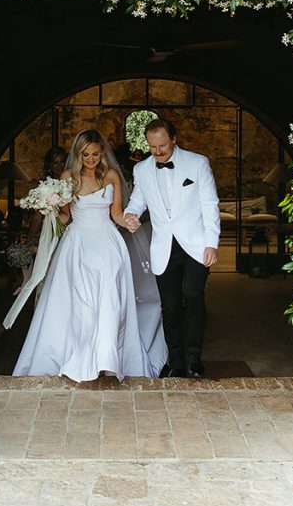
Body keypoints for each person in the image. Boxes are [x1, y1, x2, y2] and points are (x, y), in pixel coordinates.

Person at [11, 129, 167, 381]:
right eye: (85, 154)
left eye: (95, 154)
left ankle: (105, 358)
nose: (91, 159)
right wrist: (49, 210)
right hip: (77, 245)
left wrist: (128, 221)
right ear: (78, 153)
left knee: (108, 300)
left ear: (102, 153)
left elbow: (116, 213)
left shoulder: (112, 176)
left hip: (107, 244)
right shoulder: (68, 177)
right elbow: (65, 216)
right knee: (78, 302)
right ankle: (78, 356)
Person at [124, 118, 220, 378]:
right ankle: (176, 363)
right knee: (169, 306)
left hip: (196, 244)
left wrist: (212, 243)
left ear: (174, 139)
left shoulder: (198, 163)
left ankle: (195, 356)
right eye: (152, 146)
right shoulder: (142, 169)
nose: (158, 151)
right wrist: (131, 214)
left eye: (162, 145)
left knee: (192, 294)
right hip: (163, 247)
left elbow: (210, 204)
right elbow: (138, 200)